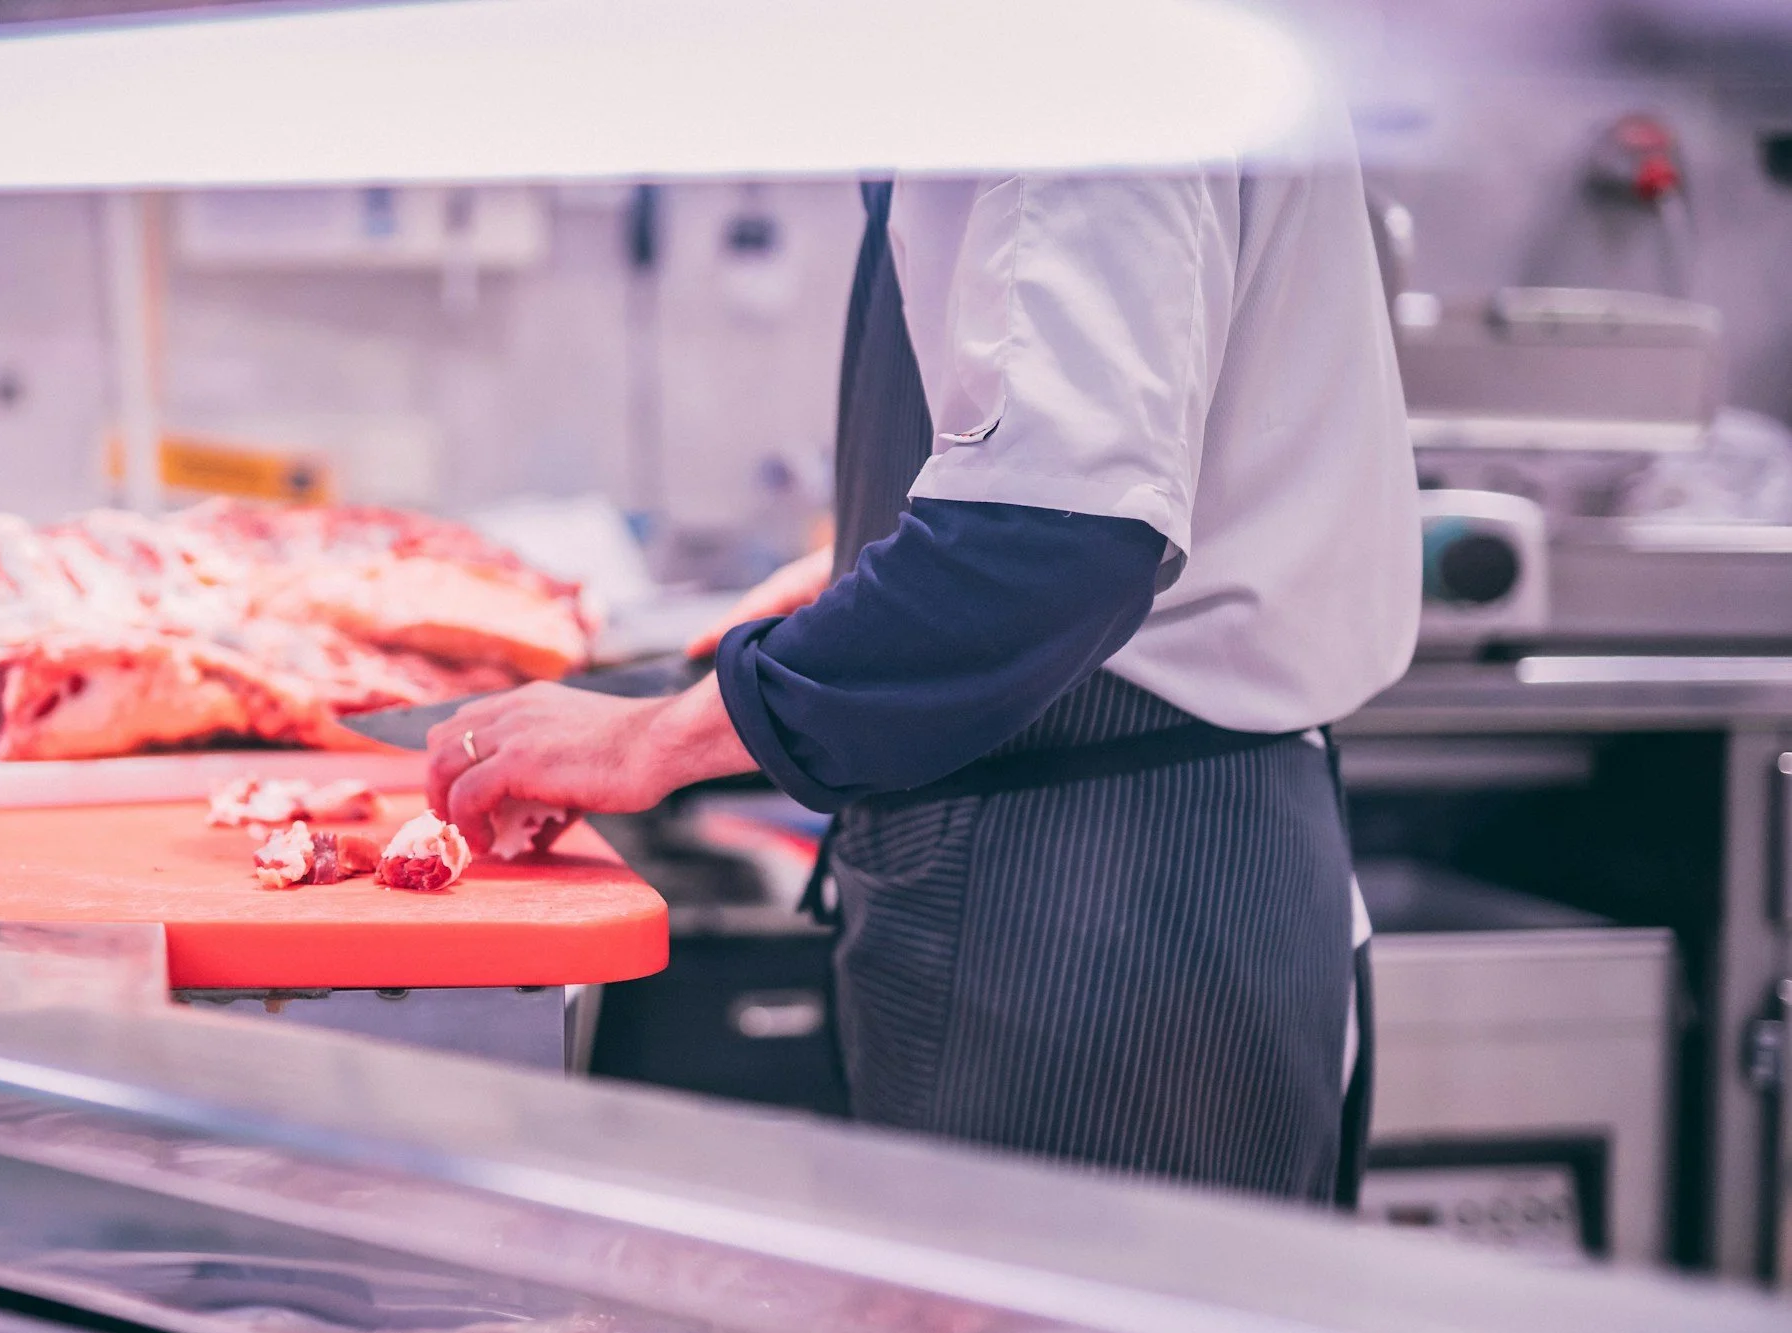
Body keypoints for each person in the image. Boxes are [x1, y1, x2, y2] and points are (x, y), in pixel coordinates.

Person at [427, 118, 1420, 1203]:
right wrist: (862, 579)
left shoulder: (1053, 42)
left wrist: (651, 738)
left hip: (1097, 897)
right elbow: (1124, 463)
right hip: (1125, 843)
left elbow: (1055, 543)